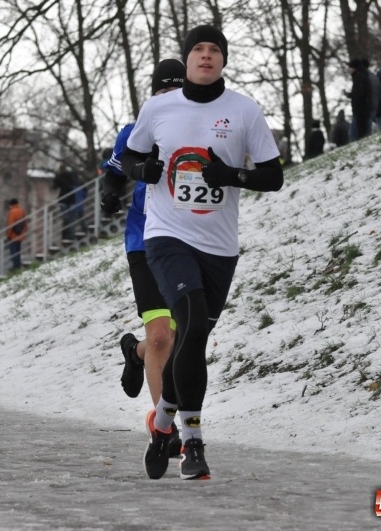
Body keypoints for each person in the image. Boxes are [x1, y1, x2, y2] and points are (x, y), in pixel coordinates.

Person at [122, 25, 283, 480]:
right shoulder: (158, 107)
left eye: (215, 50)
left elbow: (273, 176)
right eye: (199, 49)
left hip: (219, 247)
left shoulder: (244, 111)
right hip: (167, 236)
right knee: (187, 320)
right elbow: (130, 160)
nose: (207, 56)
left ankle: (163, 423)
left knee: (194, 338)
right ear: (188, 58)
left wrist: (230, 176)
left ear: (224, 61)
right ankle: (193, 443)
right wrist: (145, 169)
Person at [100, 58, 185, 458]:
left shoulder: (198, 133)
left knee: (178, 338)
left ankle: (133, 354)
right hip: (144, 240)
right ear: (153, 94)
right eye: (163, 91)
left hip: (189, 242)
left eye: (176, 90)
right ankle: (164, 427)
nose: (169, 98)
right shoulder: (135, 132)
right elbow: (115, 171)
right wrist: (109, 194)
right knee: (161, 336)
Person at [52, 164, 81, 242]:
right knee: (71, 219)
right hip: (71, 199)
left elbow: (54, 186)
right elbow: (75, 182)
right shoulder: (70, 176)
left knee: (65, 219)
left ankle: (65, 236)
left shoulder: (59, 177)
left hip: (63, 200)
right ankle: (70, 236)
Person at [346, 58, 373, 141]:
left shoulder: (358, 77)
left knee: (356, 136)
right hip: (364, 110)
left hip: (361, 111)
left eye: (350, 67)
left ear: (354, 68)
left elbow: (359, 95)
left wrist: (356, 106)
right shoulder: (362, 76)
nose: (348, 69)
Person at [6, 198, 28, 270]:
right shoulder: (22, 211)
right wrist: (23, 233)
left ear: (11, 204)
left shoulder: (12, 212)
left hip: (13, 236)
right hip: (20, 235)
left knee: (13, 252)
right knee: (18, 251)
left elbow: (10, 225)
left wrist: (8, 235)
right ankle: (18, 265)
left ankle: (16, 266)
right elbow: (25, 224)